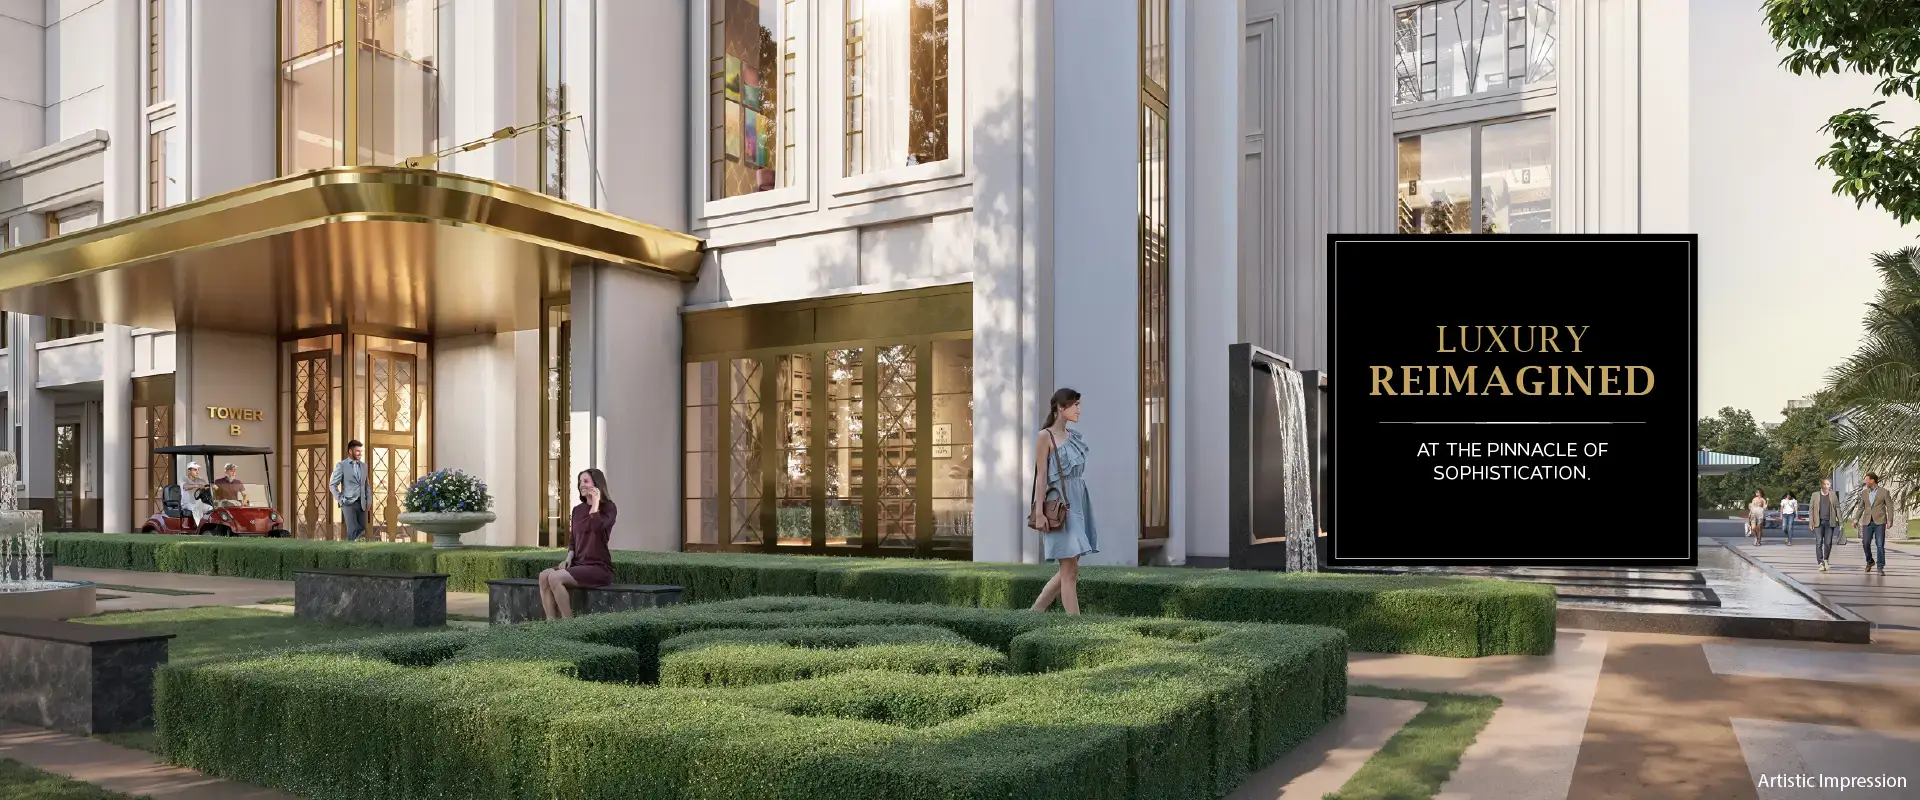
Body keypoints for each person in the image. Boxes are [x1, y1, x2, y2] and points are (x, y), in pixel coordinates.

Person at [1029, 388, 1096, 614]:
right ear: (1060, 407)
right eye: (1075, 404)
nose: (1080, 409)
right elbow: (1040, 477)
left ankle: (1035, 612)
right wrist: (1039, 512)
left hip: (1079, 501)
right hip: (1061, 504)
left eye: (1079, 404)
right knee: (1069, 571)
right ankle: (1074, 628)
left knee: (1070, 568)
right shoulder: (1044, 437)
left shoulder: (1073, 436)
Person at [538, 469, 616, 620]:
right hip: (578, 563)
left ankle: (570, 624)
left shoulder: (609, 508)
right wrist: (569, 557)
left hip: (598, 567)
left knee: (555, 578)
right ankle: (551, 623)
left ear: (597, 484)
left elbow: (597, 528)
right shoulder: (577, 510)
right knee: (543, 576)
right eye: (580, 481)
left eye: (585, 481)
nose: (581, 485)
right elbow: (573, 539)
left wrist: (595, 504)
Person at [329, 440, 368, 542]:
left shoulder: (364, 466)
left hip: (362, 503)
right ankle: (352, 554)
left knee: (362, 532)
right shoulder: (341, 465)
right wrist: (341, 500)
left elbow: (366, 485)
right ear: (350, 451)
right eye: (357, 451)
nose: (360, 453)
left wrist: (369, 500)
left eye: (361, 451)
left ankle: (361, 554)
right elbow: (333, 485)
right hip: (348, 503)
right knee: (353, 531)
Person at [1858, 472, 1892, 574]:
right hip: (1867, 522)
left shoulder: (1884, 492)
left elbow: (1890, 506)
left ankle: (1880, 567)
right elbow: (1861, 507)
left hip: (1880, 522)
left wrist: (1890, 520)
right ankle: (1870, 561)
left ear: (1873, 480)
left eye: (1867, 480)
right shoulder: (1864, 493)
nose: (1866, 481)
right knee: (1865, 543)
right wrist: (1856, 519)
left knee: (1880, 544)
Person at [1809, 479, 1841, 572]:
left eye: (1829, 484)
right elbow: (1811, 510)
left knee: (1828, 542)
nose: (1828, 486)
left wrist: (1841, 522)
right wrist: (1811, 522)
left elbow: (1837, 508)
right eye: (1826, 484)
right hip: (1818, 522)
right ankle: (1820, 562)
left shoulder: (1833, 495)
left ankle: (1826, 559)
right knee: (1819, 542)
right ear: (1822, 485)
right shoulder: (1815, 495)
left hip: (1829, 522)